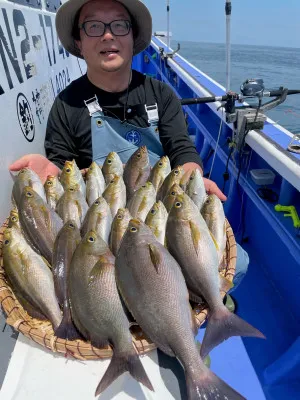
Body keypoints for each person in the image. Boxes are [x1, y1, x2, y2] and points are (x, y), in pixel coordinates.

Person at [9, 0, 248, 290]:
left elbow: (182, 148)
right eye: (94, 26)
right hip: (102, 228)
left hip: (158, 213)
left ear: (133, 37)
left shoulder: (161, 94)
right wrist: (51, 171)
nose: (108, 35)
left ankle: (205, 294)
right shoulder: (66, 105)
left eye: (119, 25)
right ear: (79, 42)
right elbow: (63, 169)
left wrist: (192, 174)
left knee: (240, 264)